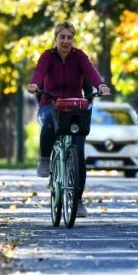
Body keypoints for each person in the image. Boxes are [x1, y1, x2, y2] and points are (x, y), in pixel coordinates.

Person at [27, 21, 110, 217]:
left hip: (75, 106)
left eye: (69, 37)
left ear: (73, 39)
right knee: (48, 121)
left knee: (78, 153)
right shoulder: (48, 56)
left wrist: (101, 85)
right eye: (62, 37)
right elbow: (39, 72)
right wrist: (34, 83)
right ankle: (45, 159)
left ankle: (78, 200)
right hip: (51, 103)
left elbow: (91, 72)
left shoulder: (79, 56)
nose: (65, 41)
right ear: (55, 38)